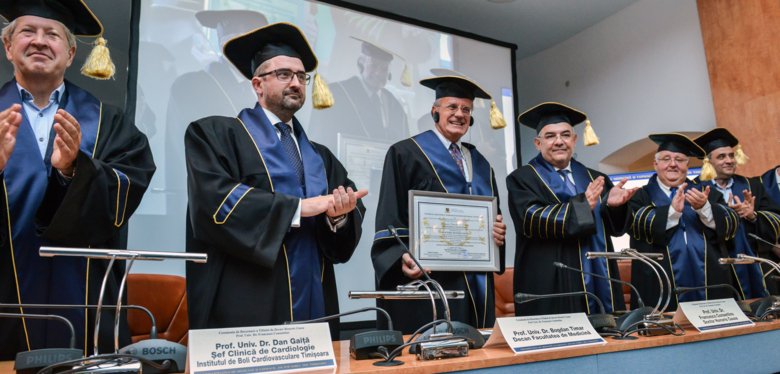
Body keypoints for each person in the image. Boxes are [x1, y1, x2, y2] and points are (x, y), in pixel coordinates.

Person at [184, 22, 366, 338]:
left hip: (315, 302)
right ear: (258, 85)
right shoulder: (216, 135)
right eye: (284, 75)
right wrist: (298, 208)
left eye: (301, 76)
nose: (295, 83)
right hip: (246, 302)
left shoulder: (320, 157)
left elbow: (342, 236)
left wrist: (339, 218)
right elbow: (212, 202)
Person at [0, 1, 155, 358]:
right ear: (8, 47)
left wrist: (75, 171)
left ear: (70, 54)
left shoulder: (108, 123)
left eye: (52, 34)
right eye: (27, 32)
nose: (40, 41)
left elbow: (128, 188)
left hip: (83, 292)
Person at [371, 74, 506, 333]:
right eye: (452, 107)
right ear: (435, 111)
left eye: (466, 109)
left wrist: (497, 234)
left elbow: (493, 216)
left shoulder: (481, 163)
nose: (459, 114)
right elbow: (390, 216)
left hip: (475, 279)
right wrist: (400, 257)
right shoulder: (405, 153)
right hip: (429, 277)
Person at [507, 102, 635, 316]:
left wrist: (614, 207)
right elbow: (530, 219)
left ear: (574, 141)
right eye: (550, 136)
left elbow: (614, 230)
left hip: (598, 276)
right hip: (551, 276)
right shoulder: (522, 178)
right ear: (538, 143)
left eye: (565, 135)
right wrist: (584, 205)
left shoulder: (595, 178)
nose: (559, 141)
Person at [628, 133, 736, 310]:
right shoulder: (640, 195)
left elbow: (731, 224)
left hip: (709, 281)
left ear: (687, 165)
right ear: (656, 164)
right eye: (666, 159)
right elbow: (635, 226)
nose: (672, 164)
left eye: (679, 159)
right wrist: (671, 212)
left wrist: (705, 208)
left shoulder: (705, 192)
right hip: (659, 283)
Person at [693, 128, 780, 298]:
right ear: (708, 161)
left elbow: (776, 220)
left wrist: (753, 215)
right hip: (719, 267)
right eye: (721, 156)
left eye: (731, 155)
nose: (729, 160)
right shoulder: (696, 190)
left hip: (756, 264)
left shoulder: (752, 185)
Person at [308, 37, 409, 153]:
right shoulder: (334, 94)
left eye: (384, 69)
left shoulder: (395, 106)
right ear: (361, 64)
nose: (378, 73)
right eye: (374, 66)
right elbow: (319, 138)